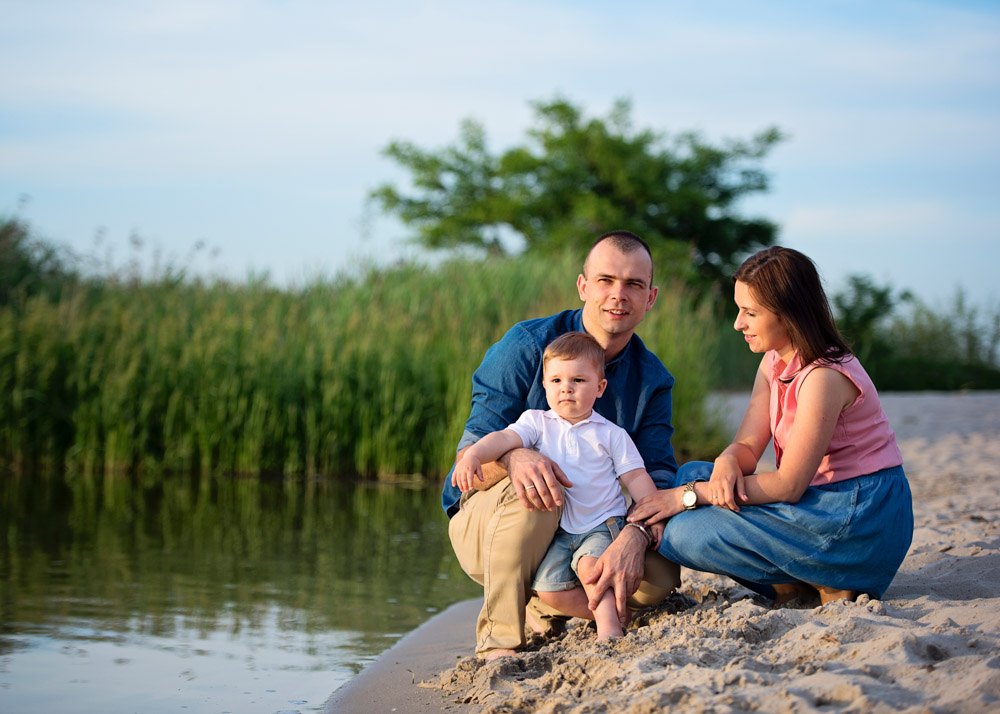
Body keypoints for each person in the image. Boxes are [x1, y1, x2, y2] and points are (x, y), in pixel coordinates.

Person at [628, 246, 914, 605]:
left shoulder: (823, 377)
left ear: (790, 314)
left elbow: (789, 485)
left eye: (750, 312)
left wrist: (686, 497)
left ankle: (834, 578)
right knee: (691, 472)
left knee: (683, 530)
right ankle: (794, 586)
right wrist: (729, 460)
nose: (738, 323)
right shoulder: (774, 362)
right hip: (819, 500)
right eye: (738, 310)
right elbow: (748, 445)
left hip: (857, 514)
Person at [443, 230, 680, 659]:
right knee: (537, 485)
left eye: (634, 285)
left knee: (661, 577)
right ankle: (499, 640)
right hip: (490, 521)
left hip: (589, 525)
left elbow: (657, 473)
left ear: (651, 298)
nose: (618, 295)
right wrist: (516, 456)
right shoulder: (527, 346)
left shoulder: (652, 379)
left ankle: (546, 596)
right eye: (606, 280)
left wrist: (636, 533)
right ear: (583, 286)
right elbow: (469, 459)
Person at [452, 332, 665, 642]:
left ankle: (609, 632)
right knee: (549, 588)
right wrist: (474, 454)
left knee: (592, 572)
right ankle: (614, 613)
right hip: (559, 531)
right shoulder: (536, 423)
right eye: (556, 381)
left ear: (600, 387)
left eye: (578, 380)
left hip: (599, 523)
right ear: (545, 385)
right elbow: (503, 440)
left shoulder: (610, 435)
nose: (566, 388)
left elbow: (636, 478)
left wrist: (649, 515)